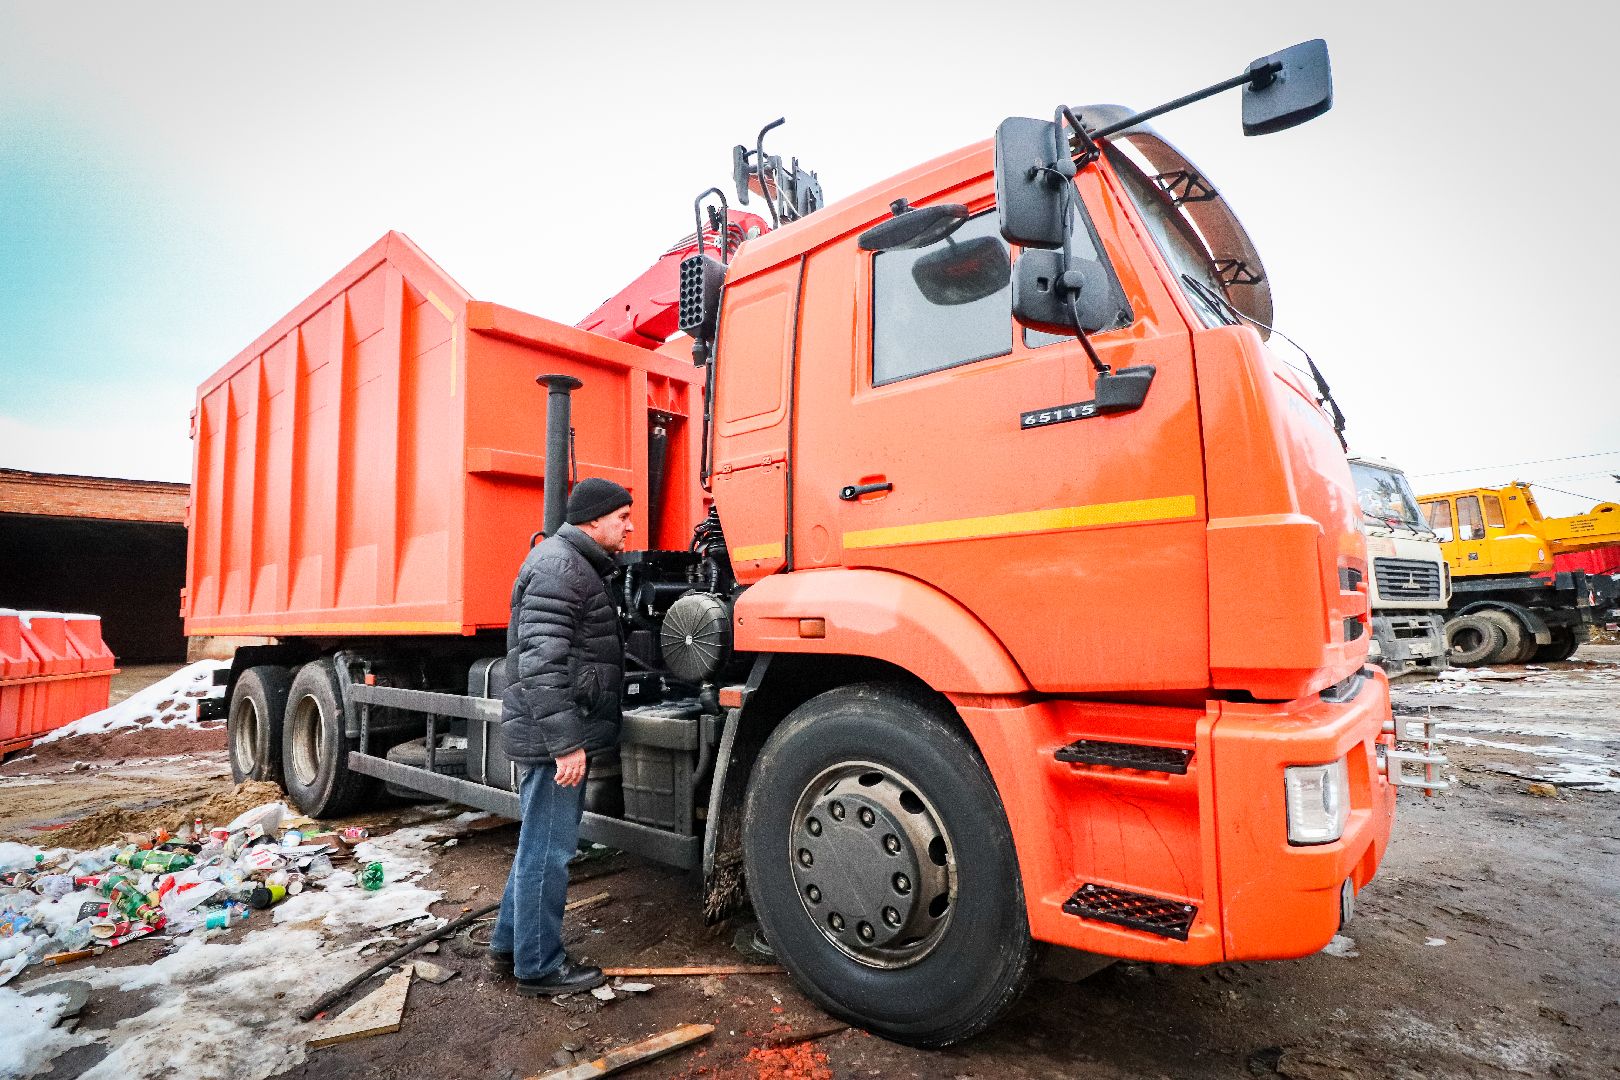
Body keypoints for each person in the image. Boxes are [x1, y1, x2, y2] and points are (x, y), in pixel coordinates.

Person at [490, 477, 633, 995]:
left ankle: (512, 945)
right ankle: (540, 966)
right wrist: (566, 744)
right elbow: (541, 665)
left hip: (551, 730)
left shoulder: (570, 564)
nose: (630, 525)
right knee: (550, 851)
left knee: (538, 845)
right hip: (552, 737)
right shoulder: (562, 568)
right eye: (622, 517)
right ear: (594, 520)